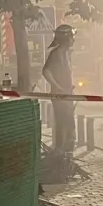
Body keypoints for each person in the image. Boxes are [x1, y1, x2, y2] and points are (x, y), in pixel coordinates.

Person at [42, 25, 76, 155]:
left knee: (69, 124)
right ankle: (61, 153)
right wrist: (57, 86)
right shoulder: (55, 54)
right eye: (72, 37)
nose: (73, 40)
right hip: (60, 96)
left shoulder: (66, 53)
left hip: (67, 95)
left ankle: (66, 152)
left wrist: (70, 87)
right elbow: (46, 71)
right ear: (66, 39)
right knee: (64, 124)